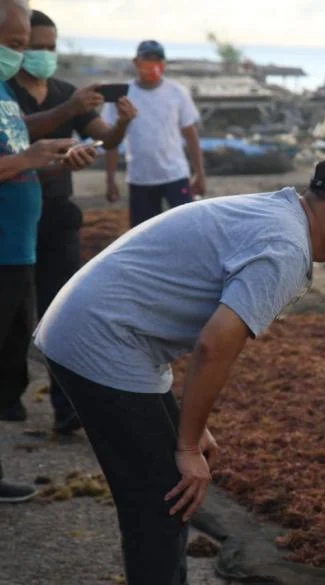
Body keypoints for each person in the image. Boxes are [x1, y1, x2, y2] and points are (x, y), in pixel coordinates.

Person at [34, 154, 325, 585]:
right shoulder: (286, 248)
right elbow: (215, 345)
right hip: (101, 337)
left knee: (167, 490)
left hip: (110, 330)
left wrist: (191, 425)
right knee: (164, 499)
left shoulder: (279, 214)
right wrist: (184, 447)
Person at [8, 9, 138, 434]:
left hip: (57, 214)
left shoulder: (66, 91)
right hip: (13, 220)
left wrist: (120, 125)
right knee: (15, 318)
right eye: (30, 46)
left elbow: (105, 137)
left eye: (49, 48)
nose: (41, 55)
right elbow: (22, 146)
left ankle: (67, 407)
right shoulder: (9, 92)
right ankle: (11, 398)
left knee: (59, 312)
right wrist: (65, 113)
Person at [0, 0, 96, 499]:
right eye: (15, 45)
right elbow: (14, 162)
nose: (21, 56)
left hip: (19, 248)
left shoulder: (4, 96)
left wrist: (56, 161)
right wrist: (28, 158)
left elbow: (20, 161)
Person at [103, 39, 206, 227]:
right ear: (136, 62)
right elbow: (112, 140)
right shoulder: (123, 95)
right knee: (143, 233)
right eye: (147, 59)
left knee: (187, 227)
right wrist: (110, 180)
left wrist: (199, 173)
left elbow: (190, 135)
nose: (153, 65)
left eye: (157, 59)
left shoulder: (177, 92)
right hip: (140, 177)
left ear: (164, 64)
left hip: (175, 175)